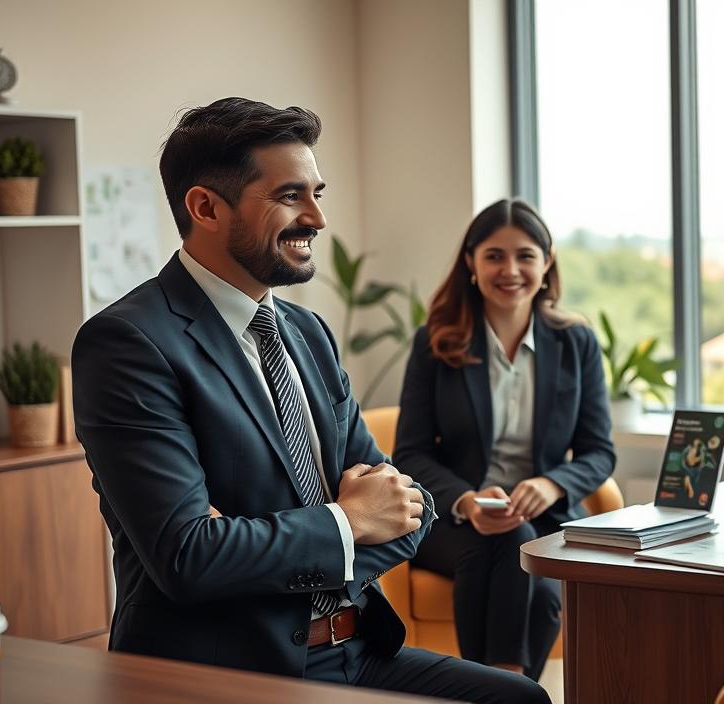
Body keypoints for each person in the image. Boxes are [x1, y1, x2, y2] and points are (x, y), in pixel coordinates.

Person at [72, 98, 547, 704]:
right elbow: (189, 556)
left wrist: (263, 541)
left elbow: (411, 507)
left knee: (521, 698)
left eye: (317, 192)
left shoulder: (308, 333)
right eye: (289, 195)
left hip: (357, 651)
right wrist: (348, 520)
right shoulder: (128, 343)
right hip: (227, 668)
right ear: (205, 207)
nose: (318, 218)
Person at [394, 198, 615, 682]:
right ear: (471, 262)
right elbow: (410, 452)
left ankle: (488, 688)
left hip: (545, 514)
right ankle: (510, 687)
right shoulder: (436, 340)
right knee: (517, 551)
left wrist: (552, 484)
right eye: (494, 255)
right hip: (453, 519)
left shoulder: (576, 342)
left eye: (525, 255)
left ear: (547, 262)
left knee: (520, 544)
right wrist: (467, 500)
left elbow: (599, 450)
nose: (510, 270)